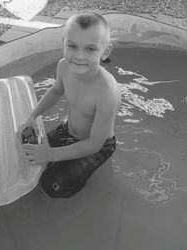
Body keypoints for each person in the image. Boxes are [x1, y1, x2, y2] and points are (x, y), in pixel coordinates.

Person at [17, 11, 121, 198]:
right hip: (69, 131)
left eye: (90, 49)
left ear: (106, 52)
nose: (79, 56)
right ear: (63, 43)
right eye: (72, 46)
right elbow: (56, 91)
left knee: (51, 186)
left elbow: (93, 145)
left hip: (98, 146)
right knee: (28, 153)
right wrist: (33, 115)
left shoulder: (107, 92)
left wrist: (50, 155)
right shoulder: (63, 66)